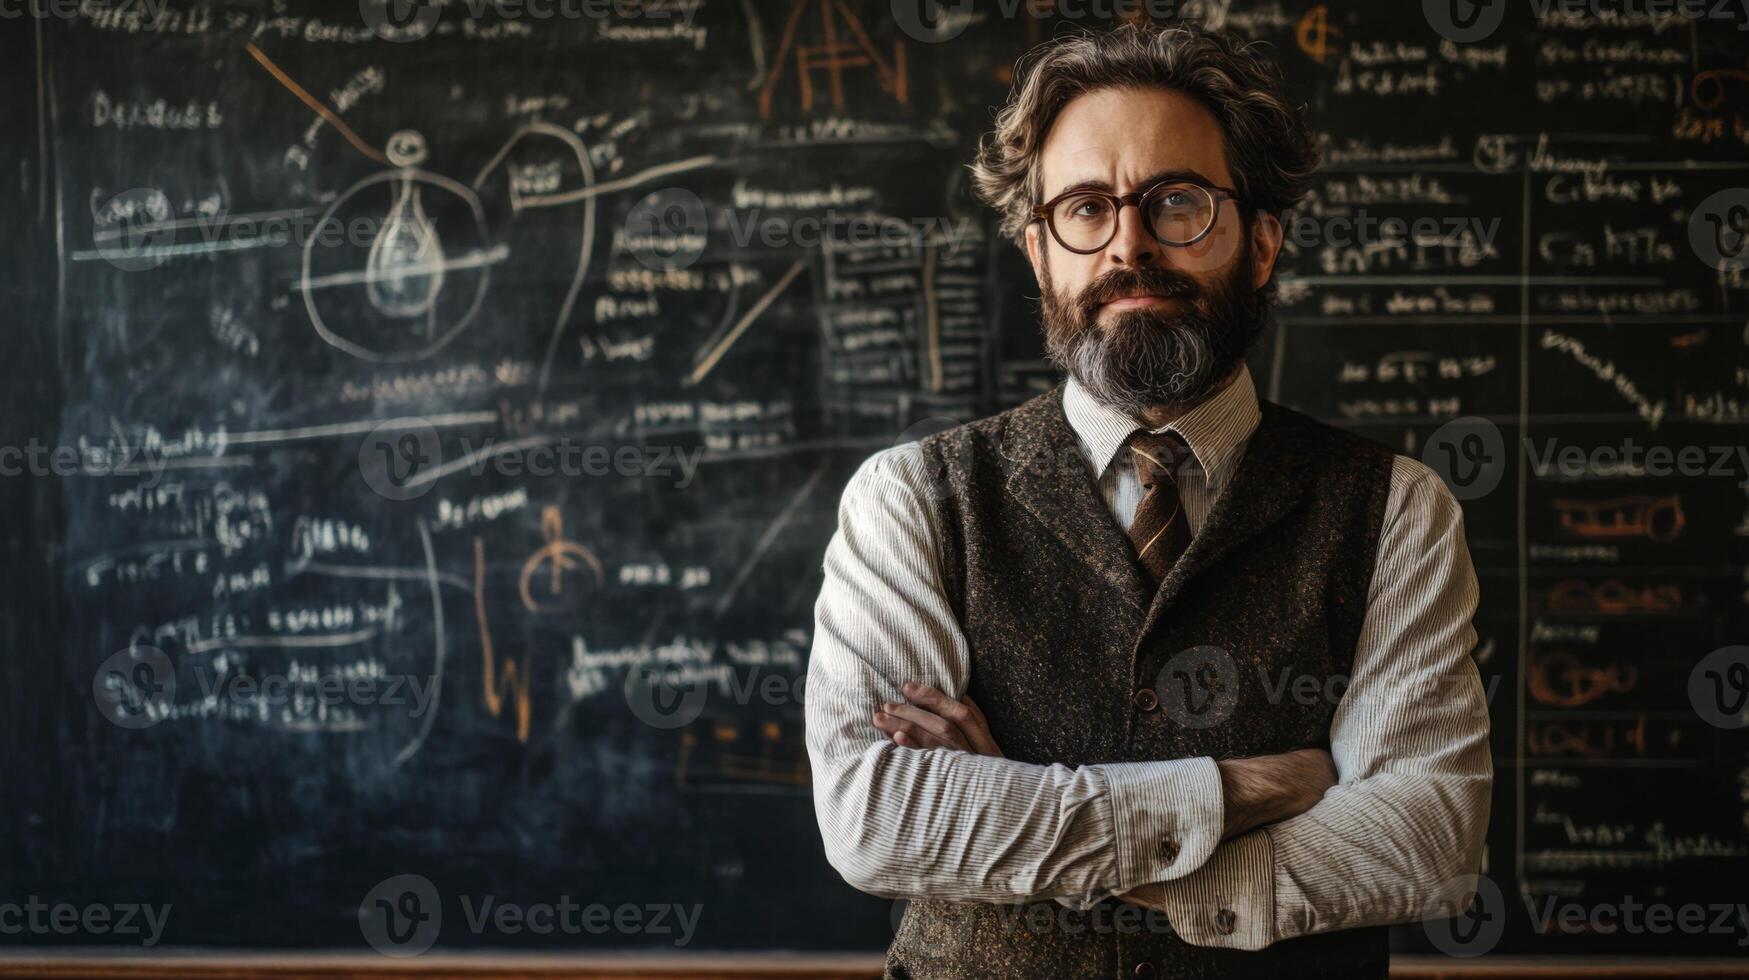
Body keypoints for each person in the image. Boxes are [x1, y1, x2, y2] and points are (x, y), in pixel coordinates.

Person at [803, 22, 1492, 979]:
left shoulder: (1397, 511)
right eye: (1085, 208)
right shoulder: (910, 501)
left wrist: (1012, 804)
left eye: (1179, 202)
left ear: (1258, 243)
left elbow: (1427, 843)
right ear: (1040, 254)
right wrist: (1239, 790)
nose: (1130, 245)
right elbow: (877, 822)